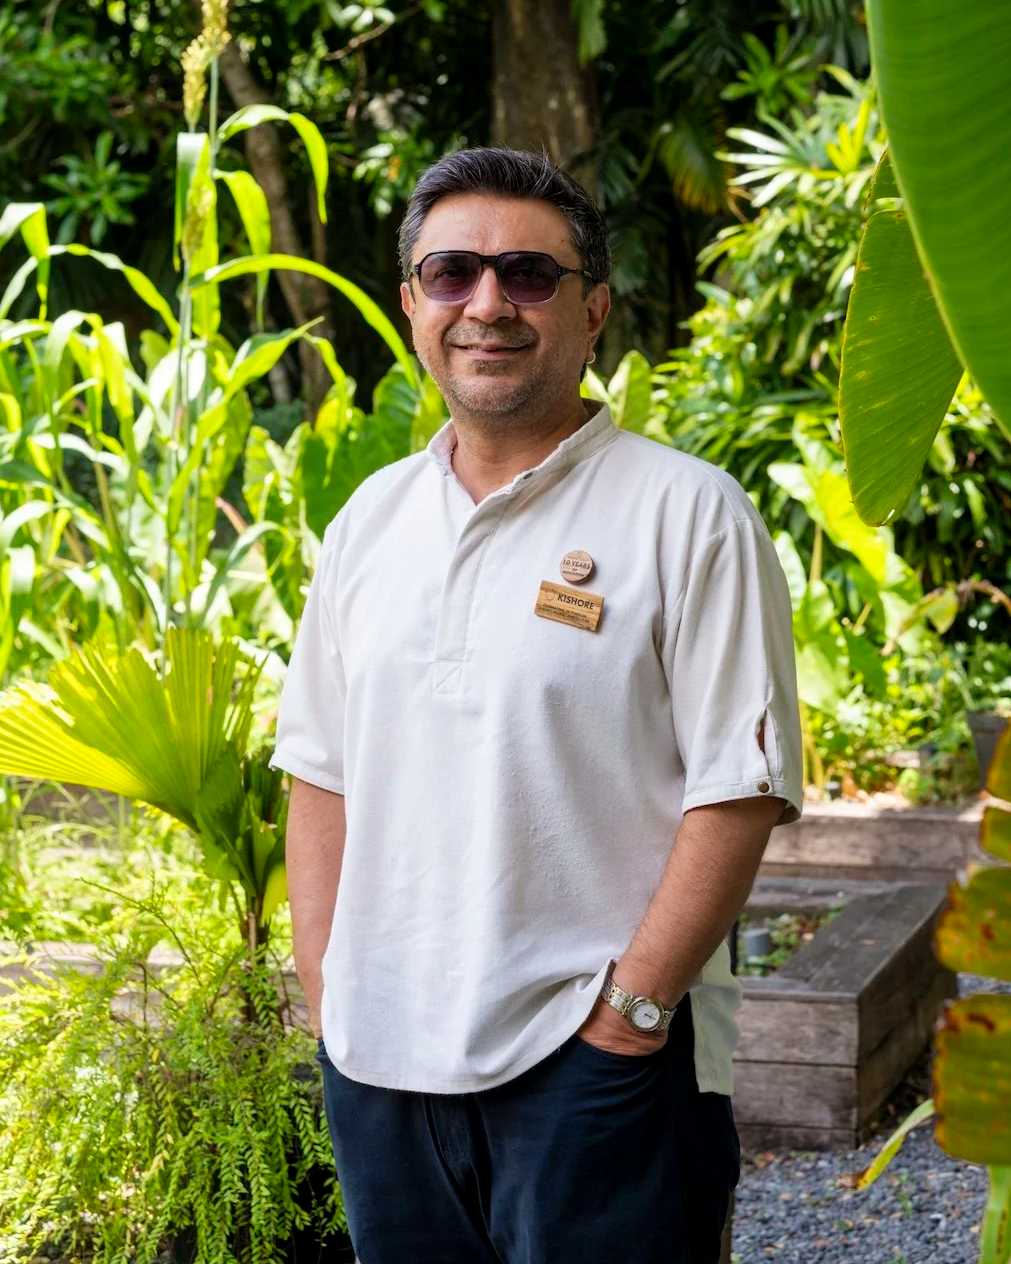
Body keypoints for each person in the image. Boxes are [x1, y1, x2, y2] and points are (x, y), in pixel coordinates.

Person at [270, 146, 803, 1264]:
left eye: (528, 273)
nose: (488, 304)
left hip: (595, 1062)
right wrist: (328, 991)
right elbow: (319, 765)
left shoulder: (687, 515)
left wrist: (631, 1019)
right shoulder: (370, 520)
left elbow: (739, 790)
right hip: (380, 1065)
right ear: (414, 300)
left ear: (594, 308)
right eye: (453, 272)